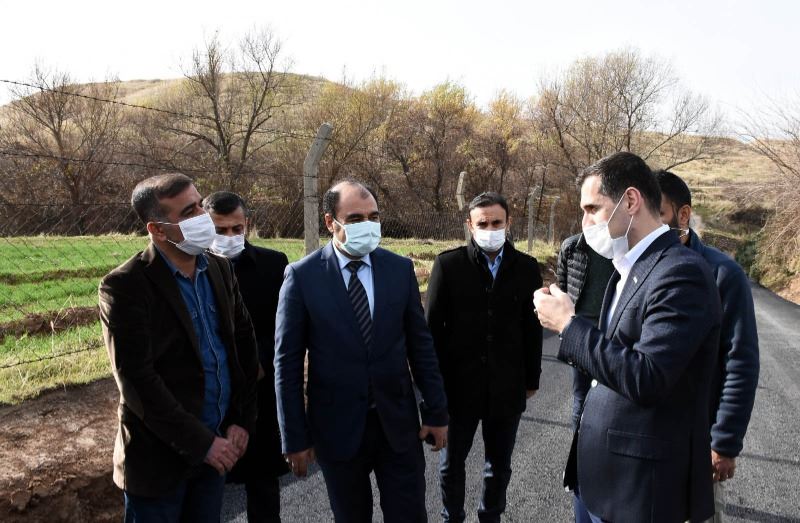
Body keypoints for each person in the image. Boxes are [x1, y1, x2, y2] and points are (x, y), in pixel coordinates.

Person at [533, 152, 722, 523]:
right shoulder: (628, 269)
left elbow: (647, 377)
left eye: (593, 209)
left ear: (631, 201)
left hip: (639, 491)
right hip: (603, 480)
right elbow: (613, 360)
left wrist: (569, 326)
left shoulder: (680, 272)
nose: (585, 222)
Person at [274, 180, 449, 522]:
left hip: (397, 424)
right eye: (355, 219)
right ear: (330, 222)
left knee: (410, 515)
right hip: (337, 429)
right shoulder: (302, 277)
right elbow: (287, 364)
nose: (367, 225)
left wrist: (436, 411)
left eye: (373, 217)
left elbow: (421, 346)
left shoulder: (398, 270)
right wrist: (294, 437)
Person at [98, 173, 259, 522]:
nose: (203, 216)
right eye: (189, 212)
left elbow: (244, 347)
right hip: (159, 462)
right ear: (157, 229)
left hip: (217, 446)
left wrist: (241, 420)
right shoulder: (124, 286)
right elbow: (137, 381)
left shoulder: (219, 269)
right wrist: (202, 444)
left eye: (200, 204)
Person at [425, 192, 543, 523]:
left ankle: (490, 516)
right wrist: (433, 388)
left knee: (499, 465)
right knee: (451, 464)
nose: (490, 229)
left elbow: (532, 329)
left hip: (507, 386)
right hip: (458, 388)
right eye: (483, 223)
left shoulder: (527, 268)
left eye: (496, 223)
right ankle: (452, 516)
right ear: (470, 225)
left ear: (508, 223)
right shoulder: (448, 265)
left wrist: (531, 379)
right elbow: (431, 332)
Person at [654, 170, 760, 523]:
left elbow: (740, 361)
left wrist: (725, 441)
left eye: (658, 214)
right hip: (643, 440)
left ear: (683, 215)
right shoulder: (634, 268)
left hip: (696, 443)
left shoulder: (722, 274)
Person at [203, 191, 290, 523]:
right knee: (208, 489)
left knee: (263, 484)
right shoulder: (194, 269)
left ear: (247, 225)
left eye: (236, 229)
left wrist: (258, 364)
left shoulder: (273, 264)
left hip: (259, 389)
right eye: (220, 230)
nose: (229, 237)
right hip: (210, 391)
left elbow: (282, 327)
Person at [556, 231, 615, 523]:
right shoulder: (572, 247)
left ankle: (605, 457)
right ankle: (582, 455)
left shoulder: (622, 243)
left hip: (610, 334)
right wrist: (565, 327)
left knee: (608, 397)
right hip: (579, 330)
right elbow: (562, 287)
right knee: (580, 396)